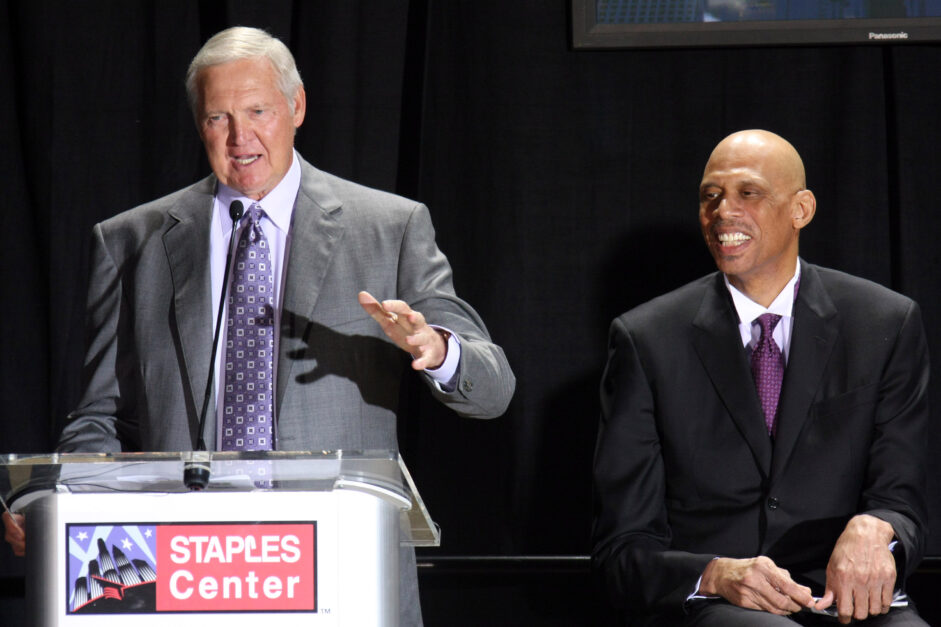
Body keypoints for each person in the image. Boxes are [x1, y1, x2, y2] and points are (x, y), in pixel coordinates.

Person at [2, 26, 514, 626]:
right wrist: (61, 502)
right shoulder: (132, 242)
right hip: (184, 574)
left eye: (257, 112)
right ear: (199, 124)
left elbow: (493, 389)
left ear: (297, 107)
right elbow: (102, 418)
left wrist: (439, 350)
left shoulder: (388, 227)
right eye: (218, 117)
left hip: (340, 569)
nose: (239, 137)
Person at [592, 130, 928, 626]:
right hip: (721, 607)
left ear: (801, 210)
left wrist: (878, 528)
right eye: (710, 196)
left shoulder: (885, 323)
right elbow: (621, 550)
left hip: (847, 599)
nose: (723, 211)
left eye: (748, 193)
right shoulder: (646, 340)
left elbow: (902, 501)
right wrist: (714, 574)